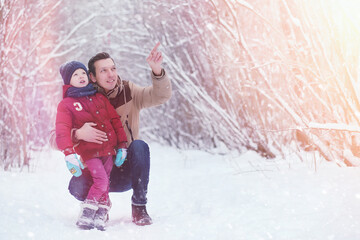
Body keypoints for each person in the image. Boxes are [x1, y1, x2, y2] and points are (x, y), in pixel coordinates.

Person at [67, 42, 172, 226]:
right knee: (75, 186)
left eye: (113, 69)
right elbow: (55, 135)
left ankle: (139, 206)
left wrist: (157, 72)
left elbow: (160, 96)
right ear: (91, 76)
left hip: (124, 169)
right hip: (97, 168)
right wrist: (77, 133)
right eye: (104, 71)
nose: (111, 74)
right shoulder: (80, 100)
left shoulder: (129, 91)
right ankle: (99, 204)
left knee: (140, 146)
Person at [55, 61, 128, 231]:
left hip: (108, 151)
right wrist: (68, 153)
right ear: (68, 81)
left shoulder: (100, 98)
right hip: (90, 152)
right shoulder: (66, 104)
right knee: (101, 181)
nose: (81, 77)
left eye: (83, 73)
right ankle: (88, 210)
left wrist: (122, 145)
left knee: (106, 180)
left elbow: (115, 121)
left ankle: (102, 212)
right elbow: (62, 130)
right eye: (75, 75)